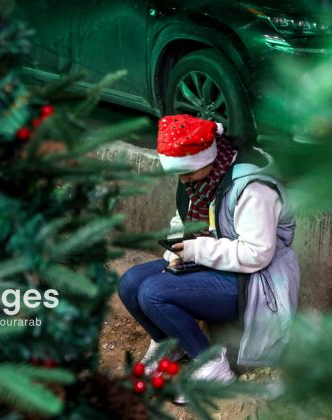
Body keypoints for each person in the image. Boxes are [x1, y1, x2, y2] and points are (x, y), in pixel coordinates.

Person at [118, 115, 299, 399]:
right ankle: (172, 345)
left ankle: (213, 370)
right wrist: (176, 248)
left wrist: (196, 250)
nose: (183, 181)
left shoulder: (252, 188)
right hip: (213, 260)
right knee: (130, 283)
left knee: (154, 293)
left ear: (207, 159)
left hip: (254, 280)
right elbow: (183, 220)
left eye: (187, 174)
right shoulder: (198, 179)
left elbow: (257, 254)